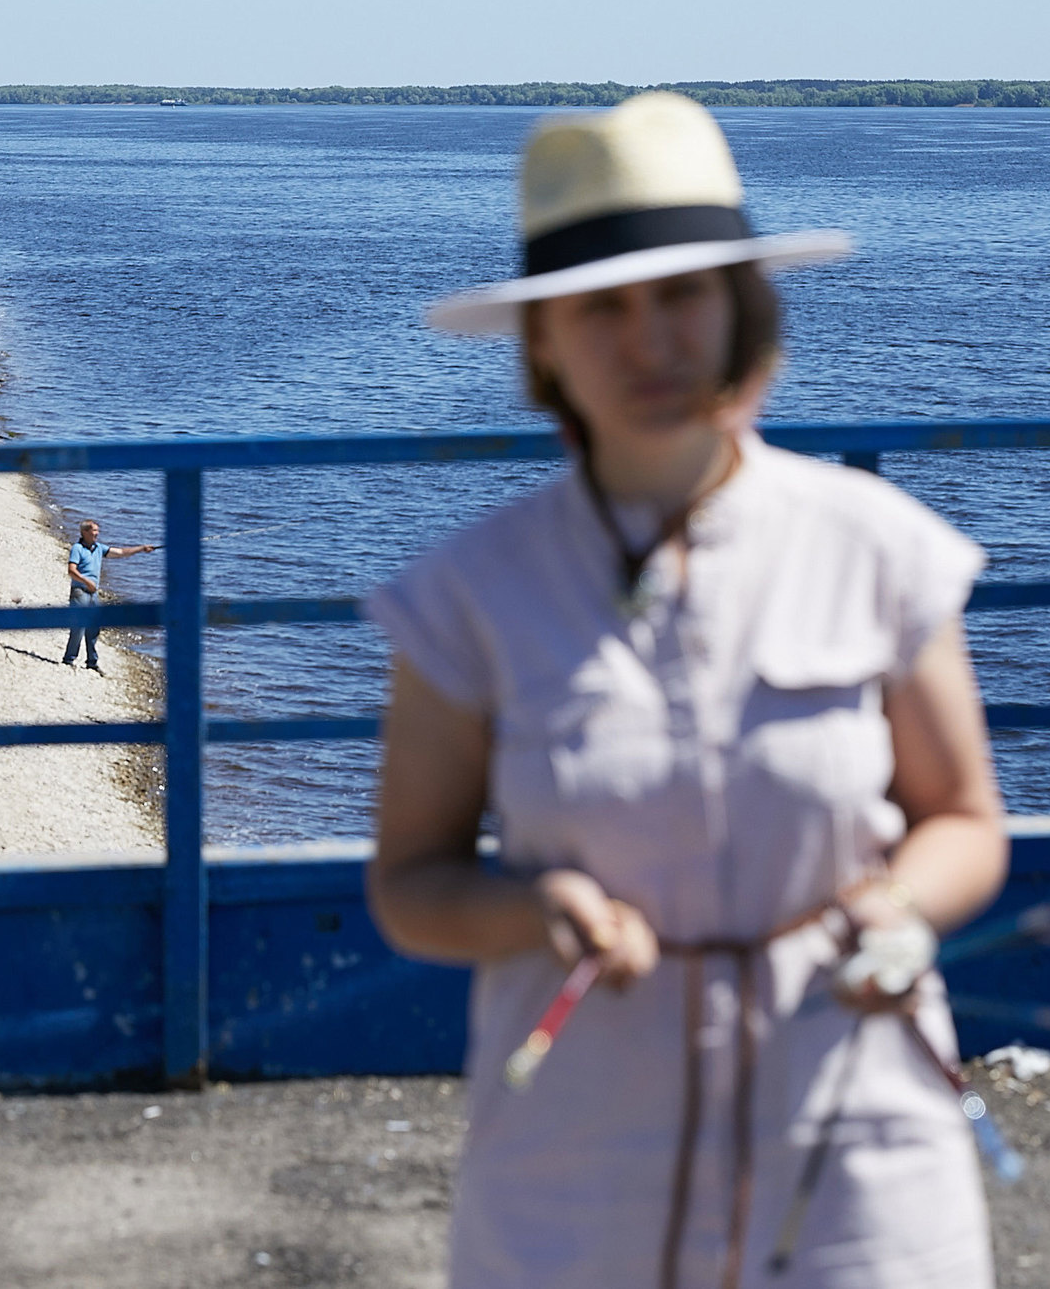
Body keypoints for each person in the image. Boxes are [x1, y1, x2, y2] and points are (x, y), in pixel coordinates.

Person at [362, 93, 1008, 1289]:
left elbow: (964, 820)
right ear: (543, 344)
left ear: (738, 311)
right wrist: (535, 911)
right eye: (601, 308)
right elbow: (410, 885)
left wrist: (902, 904)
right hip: (577, 1171)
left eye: (681, 296)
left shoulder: (876, 546)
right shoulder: (466, 595)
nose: (647, 340)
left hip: (854, 1150)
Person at [62, 519, 155, 670]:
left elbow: (121, 552)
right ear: (84, 532)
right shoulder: (77, 548)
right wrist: (87, 582)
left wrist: (141, 548)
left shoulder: (99, 548)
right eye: (94, 530)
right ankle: (69, 660)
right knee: (78, 627)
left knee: (94, 627)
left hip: (93, 594)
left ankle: (92, 663)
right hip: (80, 592)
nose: (97, 533)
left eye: (97, 531)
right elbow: (71, 571)